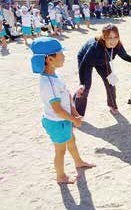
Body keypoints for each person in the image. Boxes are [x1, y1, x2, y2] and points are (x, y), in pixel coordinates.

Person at [30, 37, 95, 184]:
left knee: (71, 141)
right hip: (57, 122)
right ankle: (60, 176)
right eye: (60, 54)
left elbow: (66, 94)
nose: (64, 57)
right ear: (49, 59)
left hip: (64, 120)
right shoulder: (48, 83)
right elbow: (58, 109)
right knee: (60, 151)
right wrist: (75, 120)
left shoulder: (55, 75)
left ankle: (78, 162)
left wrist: (73, 111)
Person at [74, 24, 131, 115]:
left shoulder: (117, 44)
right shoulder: (95, 47)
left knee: (111, 83)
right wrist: (81, 83)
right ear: (104, 37)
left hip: (103, 61)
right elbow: (84, 65)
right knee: (85, 87)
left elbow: (124, 56)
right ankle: (76, 111)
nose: (113, 41)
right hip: (87, 60)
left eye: (115, 37)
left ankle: (112, 105)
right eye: (110, 37)